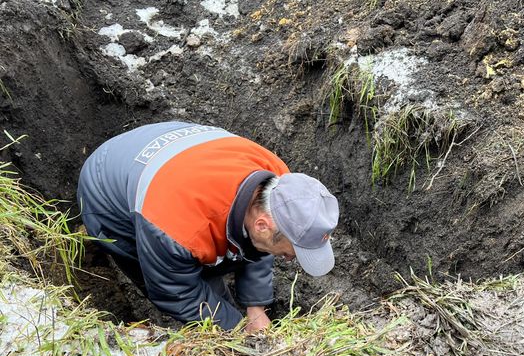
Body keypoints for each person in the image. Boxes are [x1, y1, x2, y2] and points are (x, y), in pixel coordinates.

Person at [77, 121, 339, 333]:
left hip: (179, 149)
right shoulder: (175, 228)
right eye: (293, 250)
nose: (293, 259)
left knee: (212, 257)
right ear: (263, 225)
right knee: (168, 270)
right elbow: (174, 290)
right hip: (106, 189)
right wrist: (237, 332)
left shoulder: (279, 181)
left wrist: (255, 308)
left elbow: (259, 245)